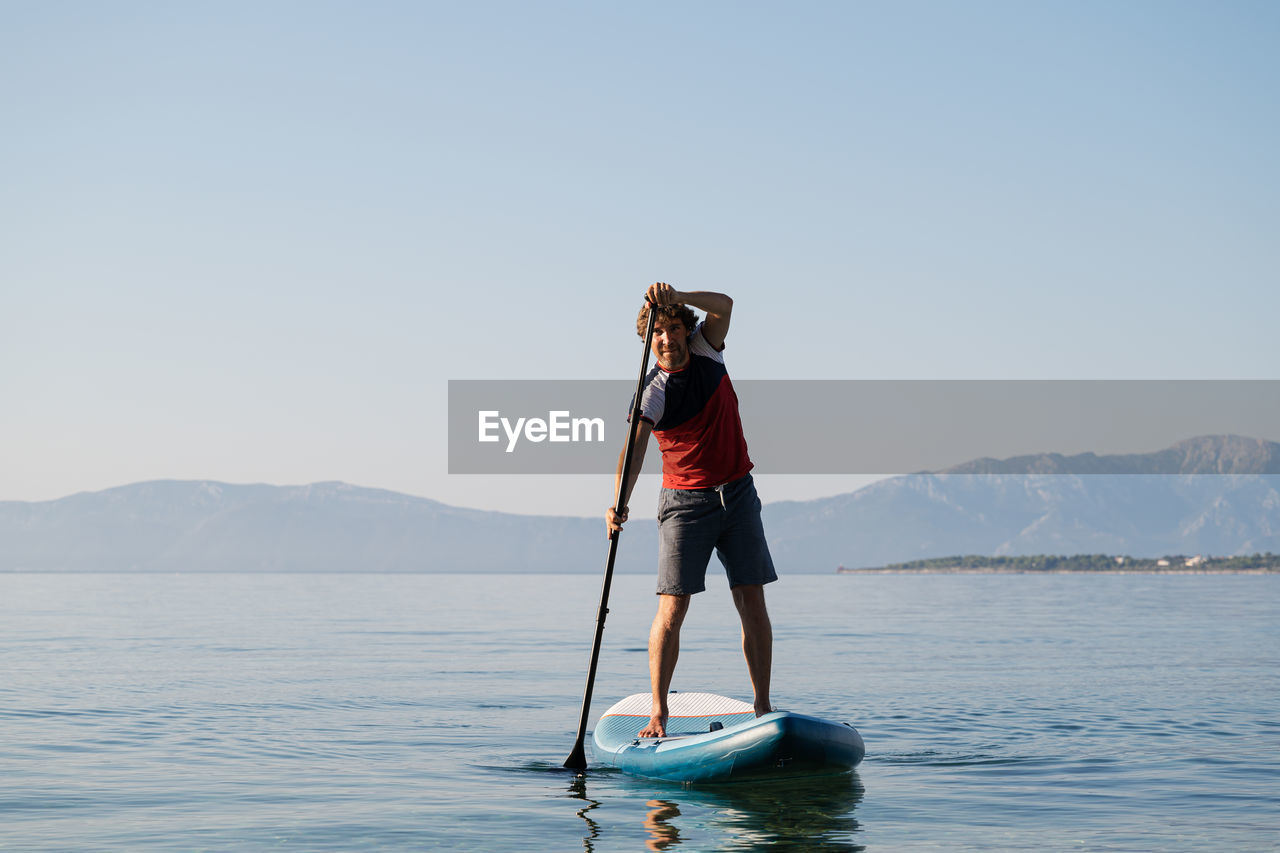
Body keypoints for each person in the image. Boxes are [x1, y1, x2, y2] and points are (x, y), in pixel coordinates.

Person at [606, 282, 777, 738]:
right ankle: (659, 713)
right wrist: (618, 504)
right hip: (686, 505)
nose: (667, 339)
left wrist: (677, 292)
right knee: (672, 609)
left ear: (687, 330)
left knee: (751, 600)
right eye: (658, 332)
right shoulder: (653, 392)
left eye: (674, 328)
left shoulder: (708, 350)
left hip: (738, 495)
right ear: (650, 340)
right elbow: (635, 450)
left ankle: (762, 706)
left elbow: (726, 306)